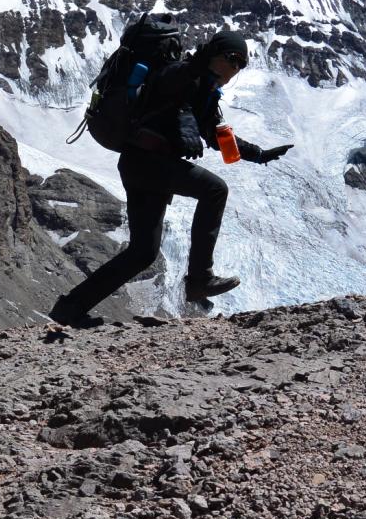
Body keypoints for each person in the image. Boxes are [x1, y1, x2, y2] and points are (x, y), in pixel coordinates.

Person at [49, 30, 293, 327]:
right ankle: (200, 279)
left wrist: (260, 155)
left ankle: (69, 308)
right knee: (215, 190)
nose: (235, 68)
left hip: (145, 167)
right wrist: (199, 63)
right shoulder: (180, 73)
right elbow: (172, 81)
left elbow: (219, 139)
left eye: (241, 64)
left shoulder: (205, 90)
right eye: (232, 59)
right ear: (215, 54)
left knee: (142, 253)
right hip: (148, 163)